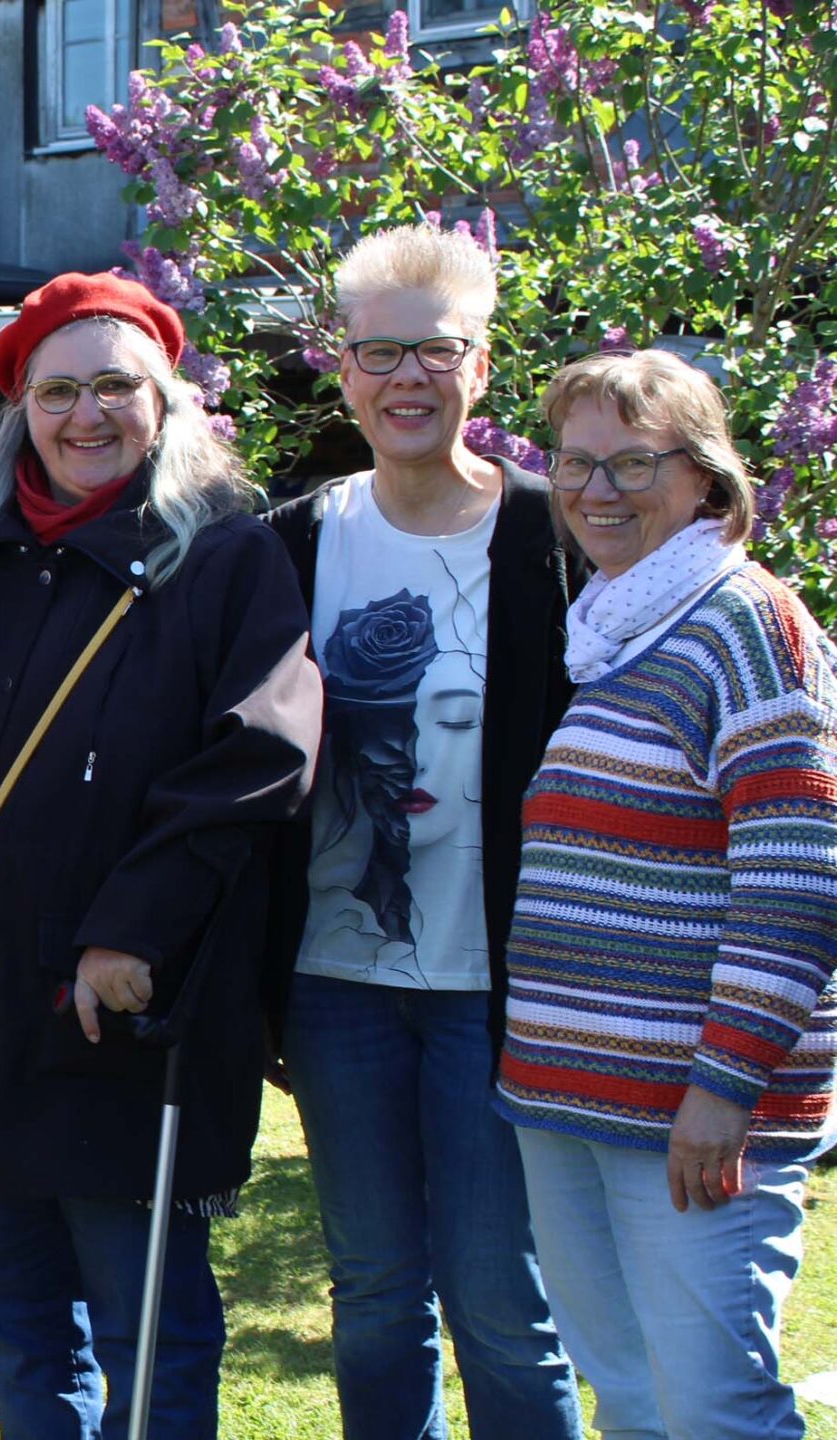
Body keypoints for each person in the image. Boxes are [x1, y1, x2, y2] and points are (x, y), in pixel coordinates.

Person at [0, 273, 320, 1440]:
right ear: (20, 413)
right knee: (9, 1313)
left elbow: (255, 758)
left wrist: (131, 928)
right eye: (57, 391)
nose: (86, 416)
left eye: (115, 386)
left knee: (144, 1320)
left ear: (164, 404)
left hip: (127, 1010)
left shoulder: (225, 560)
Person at [261, 226, 583, 1440]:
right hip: (334, 985)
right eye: (378, 352)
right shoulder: (289, 543)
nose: (406, 379)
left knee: (503, 1306)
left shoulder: (553, 540)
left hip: (497, 984)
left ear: (480, 366)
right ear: (342, 371)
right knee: (377, 1294)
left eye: (433, 352)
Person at [496, 348, 837, 1440]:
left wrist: (725, 1083)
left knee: (712, 1413)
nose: (596, 491)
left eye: (632, 465)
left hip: (691, 1117)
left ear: (704, 480)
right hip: (567, 1099)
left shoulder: (746, 625)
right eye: (574, 463)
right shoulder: (617, 630)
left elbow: (797, 875)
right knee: (635, 1402)